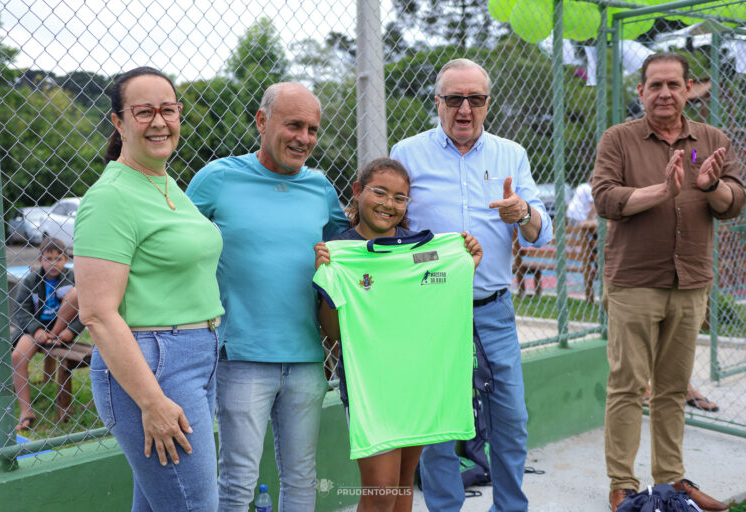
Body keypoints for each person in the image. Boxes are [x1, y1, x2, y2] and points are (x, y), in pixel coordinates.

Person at [390, 58, 553, 512]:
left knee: (511, 419)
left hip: (492, 310)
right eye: (454, 99)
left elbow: (542, 231)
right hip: (430, 309)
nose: (465, 109)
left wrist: (523, 212)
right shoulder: (407, 153)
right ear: (437, 102)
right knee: (439, 427)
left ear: (487, 103)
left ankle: (510, 507)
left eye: (475, 99)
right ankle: (445, 508)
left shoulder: (511, 154)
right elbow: (390, 221)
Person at [591, 52, 744, 512]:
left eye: (673, 85)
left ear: (688, 89)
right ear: (640, 91)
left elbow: (734, 202)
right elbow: (605, 199)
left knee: (673, 389)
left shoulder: (712, 140)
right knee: (627, 386)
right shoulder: (618, 139)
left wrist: (711, 185)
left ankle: (672, 482)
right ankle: (623, 486)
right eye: (654, 85)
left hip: (691, 281)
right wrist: (663, 190)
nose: (664, 93)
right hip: (634, 282)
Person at [186, 82, 349, 512]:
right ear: (262, 121)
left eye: (312, 129)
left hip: (308, 358)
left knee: (302, 477)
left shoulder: (321, 188)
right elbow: (175, 245)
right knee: (237, 481)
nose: (304, 138)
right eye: (293, 125)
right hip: (241, 357)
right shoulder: (217, 178)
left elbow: (351, 250)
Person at [73, 67, 225, 512]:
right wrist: (152, 401)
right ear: (119, 122)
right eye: (144, 112)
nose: (159, 122)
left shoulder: (164, 183)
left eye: (168, 110)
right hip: (155, 366)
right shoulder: (111, 197)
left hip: (195, 357)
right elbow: (97, 313)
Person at [313, 157, 482, 512]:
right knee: (381, 490)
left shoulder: (423, 249)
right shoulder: (341, 251)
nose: (389, 204)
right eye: (380, 192)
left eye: (400, 197)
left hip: (418, 381)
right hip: (371, 387)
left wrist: (465, 262)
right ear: (357, 192)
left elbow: (439, 294)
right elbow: (334, 332)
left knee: (404, 481)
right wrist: (327, 280)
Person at [11, 236, 82, 431]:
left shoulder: (72, 277)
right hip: (35, 329)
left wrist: (70, 331)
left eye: (58, 258)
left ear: (66, 260)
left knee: (77, 294)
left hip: (61, 329)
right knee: (17, 357)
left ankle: (55, 335)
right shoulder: (31, 280)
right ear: (40, 260)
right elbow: (20, 310)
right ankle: (26, 411)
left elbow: (85, 310)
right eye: (48, 259)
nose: (53, 263)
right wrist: (37, 330)